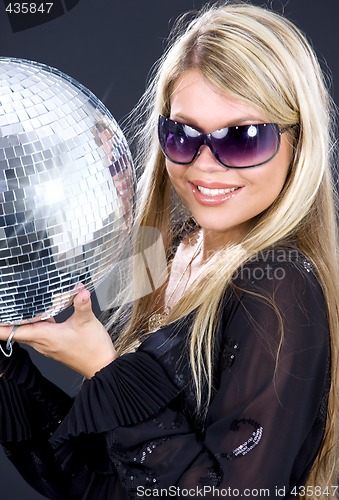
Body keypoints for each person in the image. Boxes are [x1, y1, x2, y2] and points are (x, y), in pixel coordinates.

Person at [0, 2, 338, 498]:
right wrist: (9, 357)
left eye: (242, 138)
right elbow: (96, 479)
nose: (206, 166)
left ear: (298, 143)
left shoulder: (277, 286)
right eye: (183, 135)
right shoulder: (160, 251)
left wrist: (103, 368)